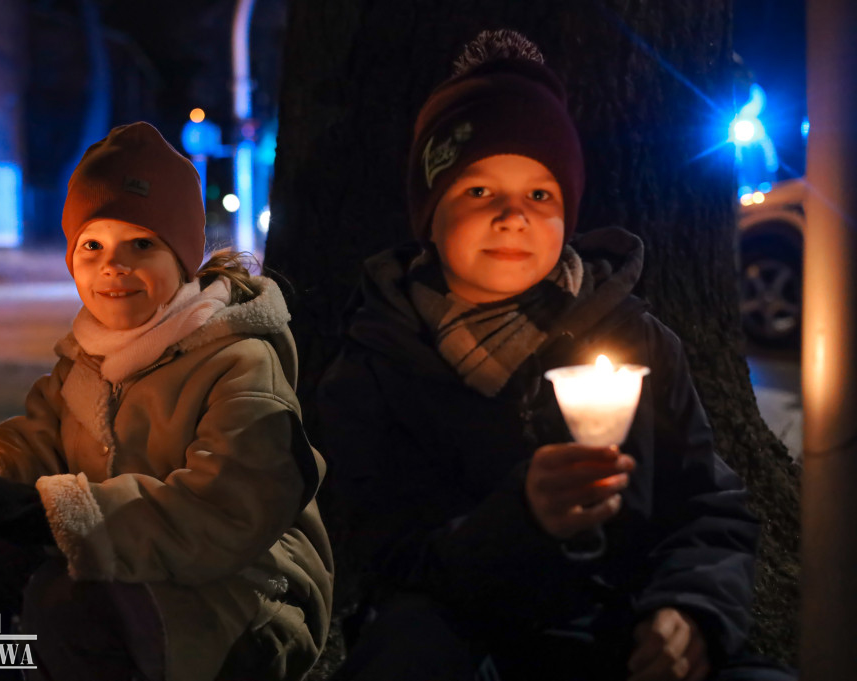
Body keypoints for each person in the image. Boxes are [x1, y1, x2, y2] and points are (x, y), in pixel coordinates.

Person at [317, 30, 793, 681]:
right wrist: (523, 519)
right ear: (429, 212)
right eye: (479, 191)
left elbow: (708, 509)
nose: (514, 215)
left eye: (540, 195)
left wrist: (690, 612)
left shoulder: (639, 341)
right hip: (461, 638)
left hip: (618, 632)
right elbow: (386, 552)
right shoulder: (380, 362)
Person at [0, 122, 333, 681]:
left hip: (250, 594)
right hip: (128, 565)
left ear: (183, 260)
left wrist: (43, 512)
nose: (113, 265)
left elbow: (225, 510)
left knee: (67, 603)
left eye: (142, 244)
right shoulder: (87, 360)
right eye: (92, 245)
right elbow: (40, 439)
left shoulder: (237, 361)